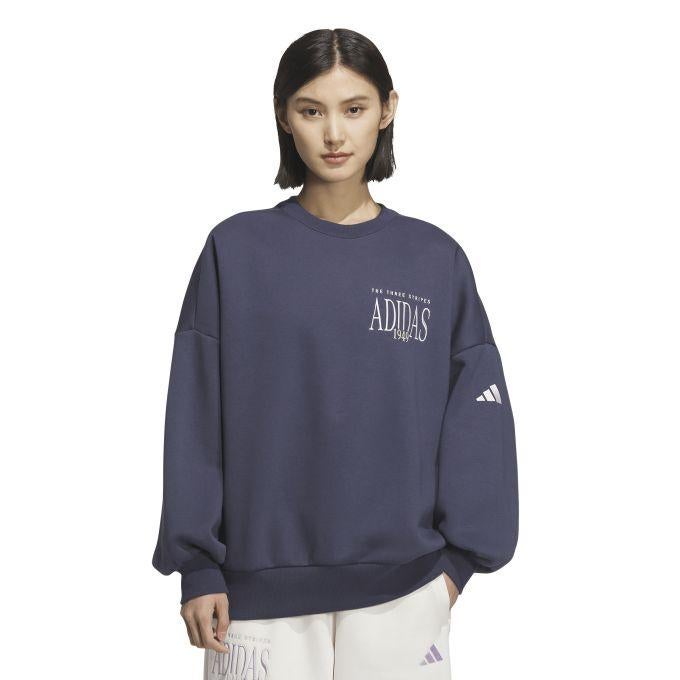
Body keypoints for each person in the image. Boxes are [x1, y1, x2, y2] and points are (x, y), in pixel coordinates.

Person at [151, 27, 519, 680]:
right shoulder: (236, 251)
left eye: (353, 108)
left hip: (406, 595)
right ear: (283, 117)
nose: (333, 134)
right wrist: (198, 565)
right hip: (254, 598)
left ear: (387, 109)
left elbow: (476, 416)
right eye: (311, 110)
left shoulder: (433, 259)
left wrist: (457, 568)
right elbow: (195, 414)